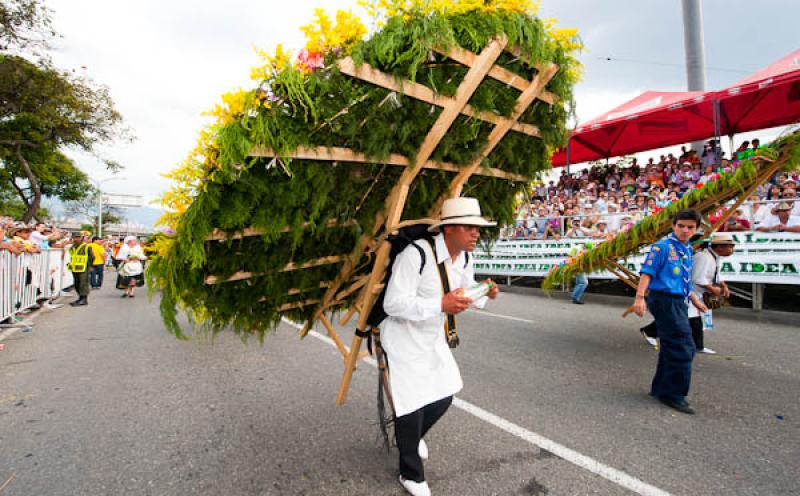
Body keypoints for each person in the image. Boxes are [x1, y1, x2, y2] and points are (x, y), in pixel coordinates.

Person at [381, 197, 499, 496]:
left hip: (431, 335)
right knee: (411, 401)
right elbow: (393, 303)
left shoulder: (466, 258)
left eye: (478, 228)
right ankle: (411, 474)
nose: (476, 233)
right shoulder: (416, 254)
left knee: (446, 390)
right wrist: (440, 304)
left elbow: (463, 292)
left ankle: (412, 436)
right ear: (449, 229)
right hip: (403, 337)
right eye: (470, 227)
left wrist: (485, 292)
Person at [632, 209, 708, 415]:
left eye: (690, 227)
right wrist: (639, 298)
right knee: (684, 347)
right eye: (681, 226)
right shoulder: (662, 247)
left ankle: (661, 388)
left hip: (679, 300)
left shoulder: (687, 250)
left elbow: (682, 280)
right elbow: (647, 273)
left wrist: (694, 300)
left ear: (697, 229)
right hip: (664, 299)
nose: (685, 230)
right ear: (673, 226)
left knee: (672, 345)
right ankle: (674, 394)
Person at [67, 232, 94, 306]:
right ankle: (80, 298)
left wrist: (91, 266)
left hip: (84, 268)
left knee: (83, 283)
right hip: (75, 268)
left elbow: (91, 257)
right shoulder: (72, 247)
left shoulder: (86, 246)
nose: (77, 239)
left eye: (78, 237)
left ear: (81, 238)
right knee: (76, 284)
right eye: (75, 237)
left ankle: (84, 299)